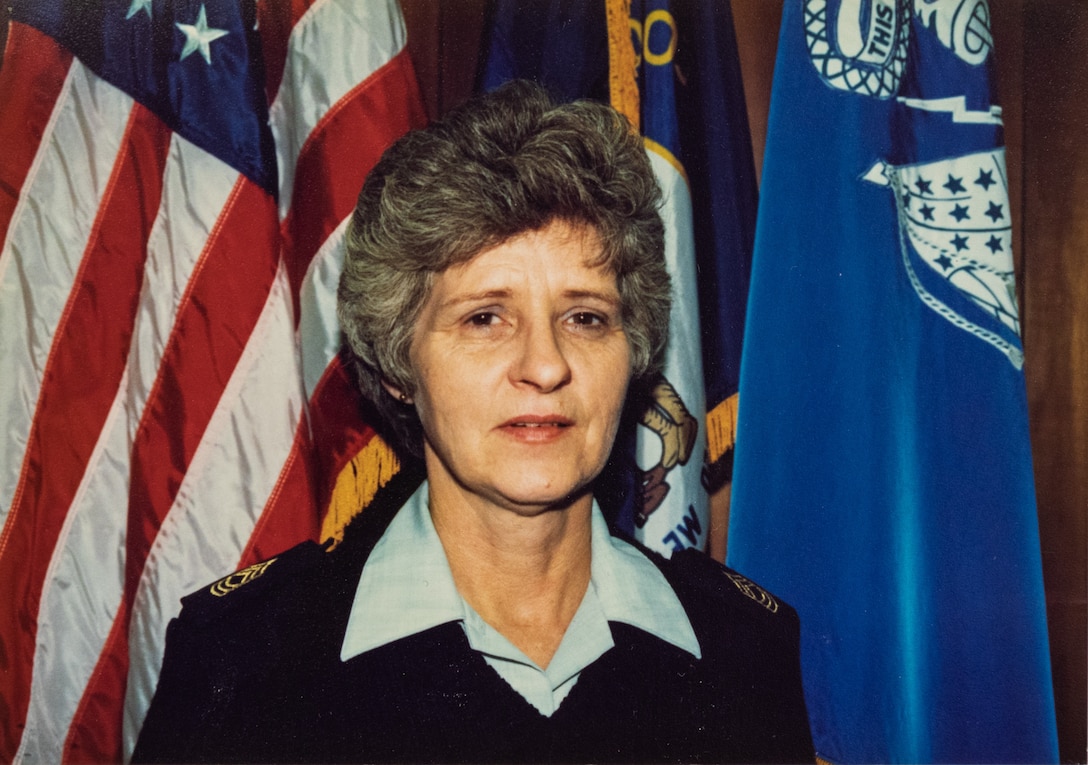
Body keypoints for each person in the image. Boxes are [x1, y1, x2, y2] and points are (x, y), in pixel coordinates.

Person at [132, 80, 814, 764]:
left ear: (633, 353)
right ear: (399, 363)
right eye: (484, 317)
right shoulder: (247, 660)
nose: (545, 365)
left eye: (585, 317)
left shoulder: (743, 649)